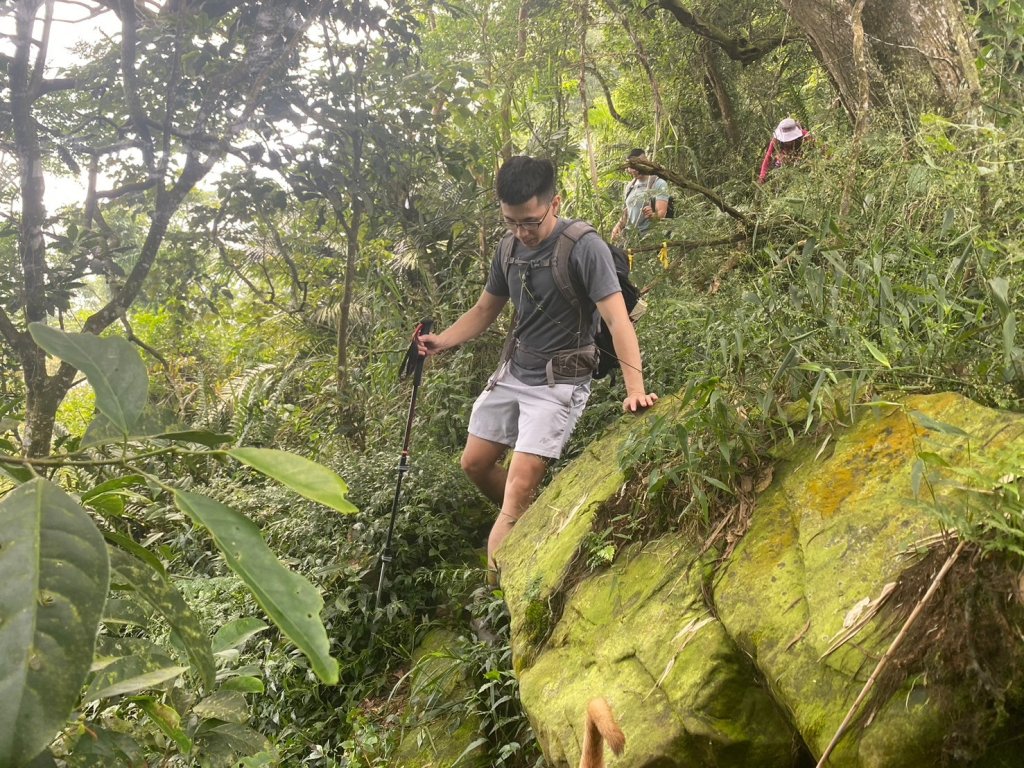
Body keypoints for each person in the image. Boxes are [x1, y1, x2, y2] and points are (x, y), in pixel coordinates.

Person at [417, 155, 658, 581]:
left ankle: (496, 596)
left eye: (529, 221)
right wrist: (443, 340)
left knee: (516, 493)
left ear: (555, 204)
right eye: (511, 222)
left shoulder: (584, 248)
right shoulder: (508, 248)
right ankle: (532, 518)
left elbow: (618, 320)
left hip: (558, 383)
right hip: (515, 370)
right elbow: (485, 308)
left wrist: (634, 388)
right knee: (473, 464)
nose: (521, 232)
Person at [610, 148, 669, 243]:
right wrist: (618, 226)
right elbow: (627, 212)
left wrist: (652, 215)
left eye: (636, 166)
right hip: (631, 239)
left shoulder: (658, 183)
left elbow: (662, 213)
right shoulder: (630, 186)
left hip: (650, 239)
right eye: (631, 166)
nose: (634, 170)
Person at [758, 117, 812, 183]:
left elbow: (818, 149)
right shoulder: (776, 140)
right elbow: (768, 157)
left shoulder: (805, 135)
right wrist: (762, 175)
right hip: (782, 165)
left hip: (802, 162)